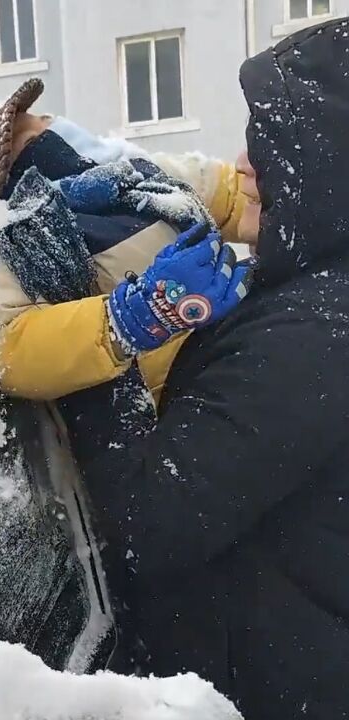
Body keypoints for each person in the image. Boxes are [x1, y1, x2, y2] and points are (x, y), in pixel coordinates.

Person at [66, 18, 349, 718]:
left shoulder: (319, 333)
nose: (245, 161)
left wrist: (97, 331)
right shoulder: (312, 291)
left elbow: (148, 524)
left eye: (272, 140)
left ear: (329, 160)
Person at [0, 79, 247, 405]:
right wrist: (129, 319)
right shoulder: (26, 244)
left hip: (243, 342)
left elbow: (235, 193)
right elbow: (8, 350)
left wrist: (288, 223)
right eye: (30, 138)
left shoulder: (136, 176)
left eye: (43, 121)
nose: (52, 132)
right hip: (182, 402)